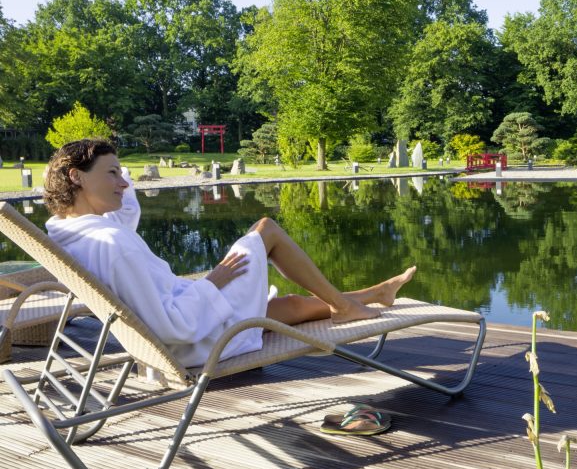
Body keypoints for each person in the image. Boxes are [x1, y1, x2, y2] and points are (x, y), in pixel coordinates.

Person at [42, 138, 416, 368]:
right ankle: (346, 306)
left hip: (186, 322)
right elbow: (174, 326)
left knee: (285, 308)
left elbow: (126, 213)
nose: (124, 183)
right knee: (266, 230)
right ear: (76, 176)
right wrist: (212, 283)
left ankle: (373, 294)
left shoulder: (70, 233)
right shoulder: (112, 244)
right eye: (113, 173)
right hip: (193, 340)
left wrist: (111, 170)